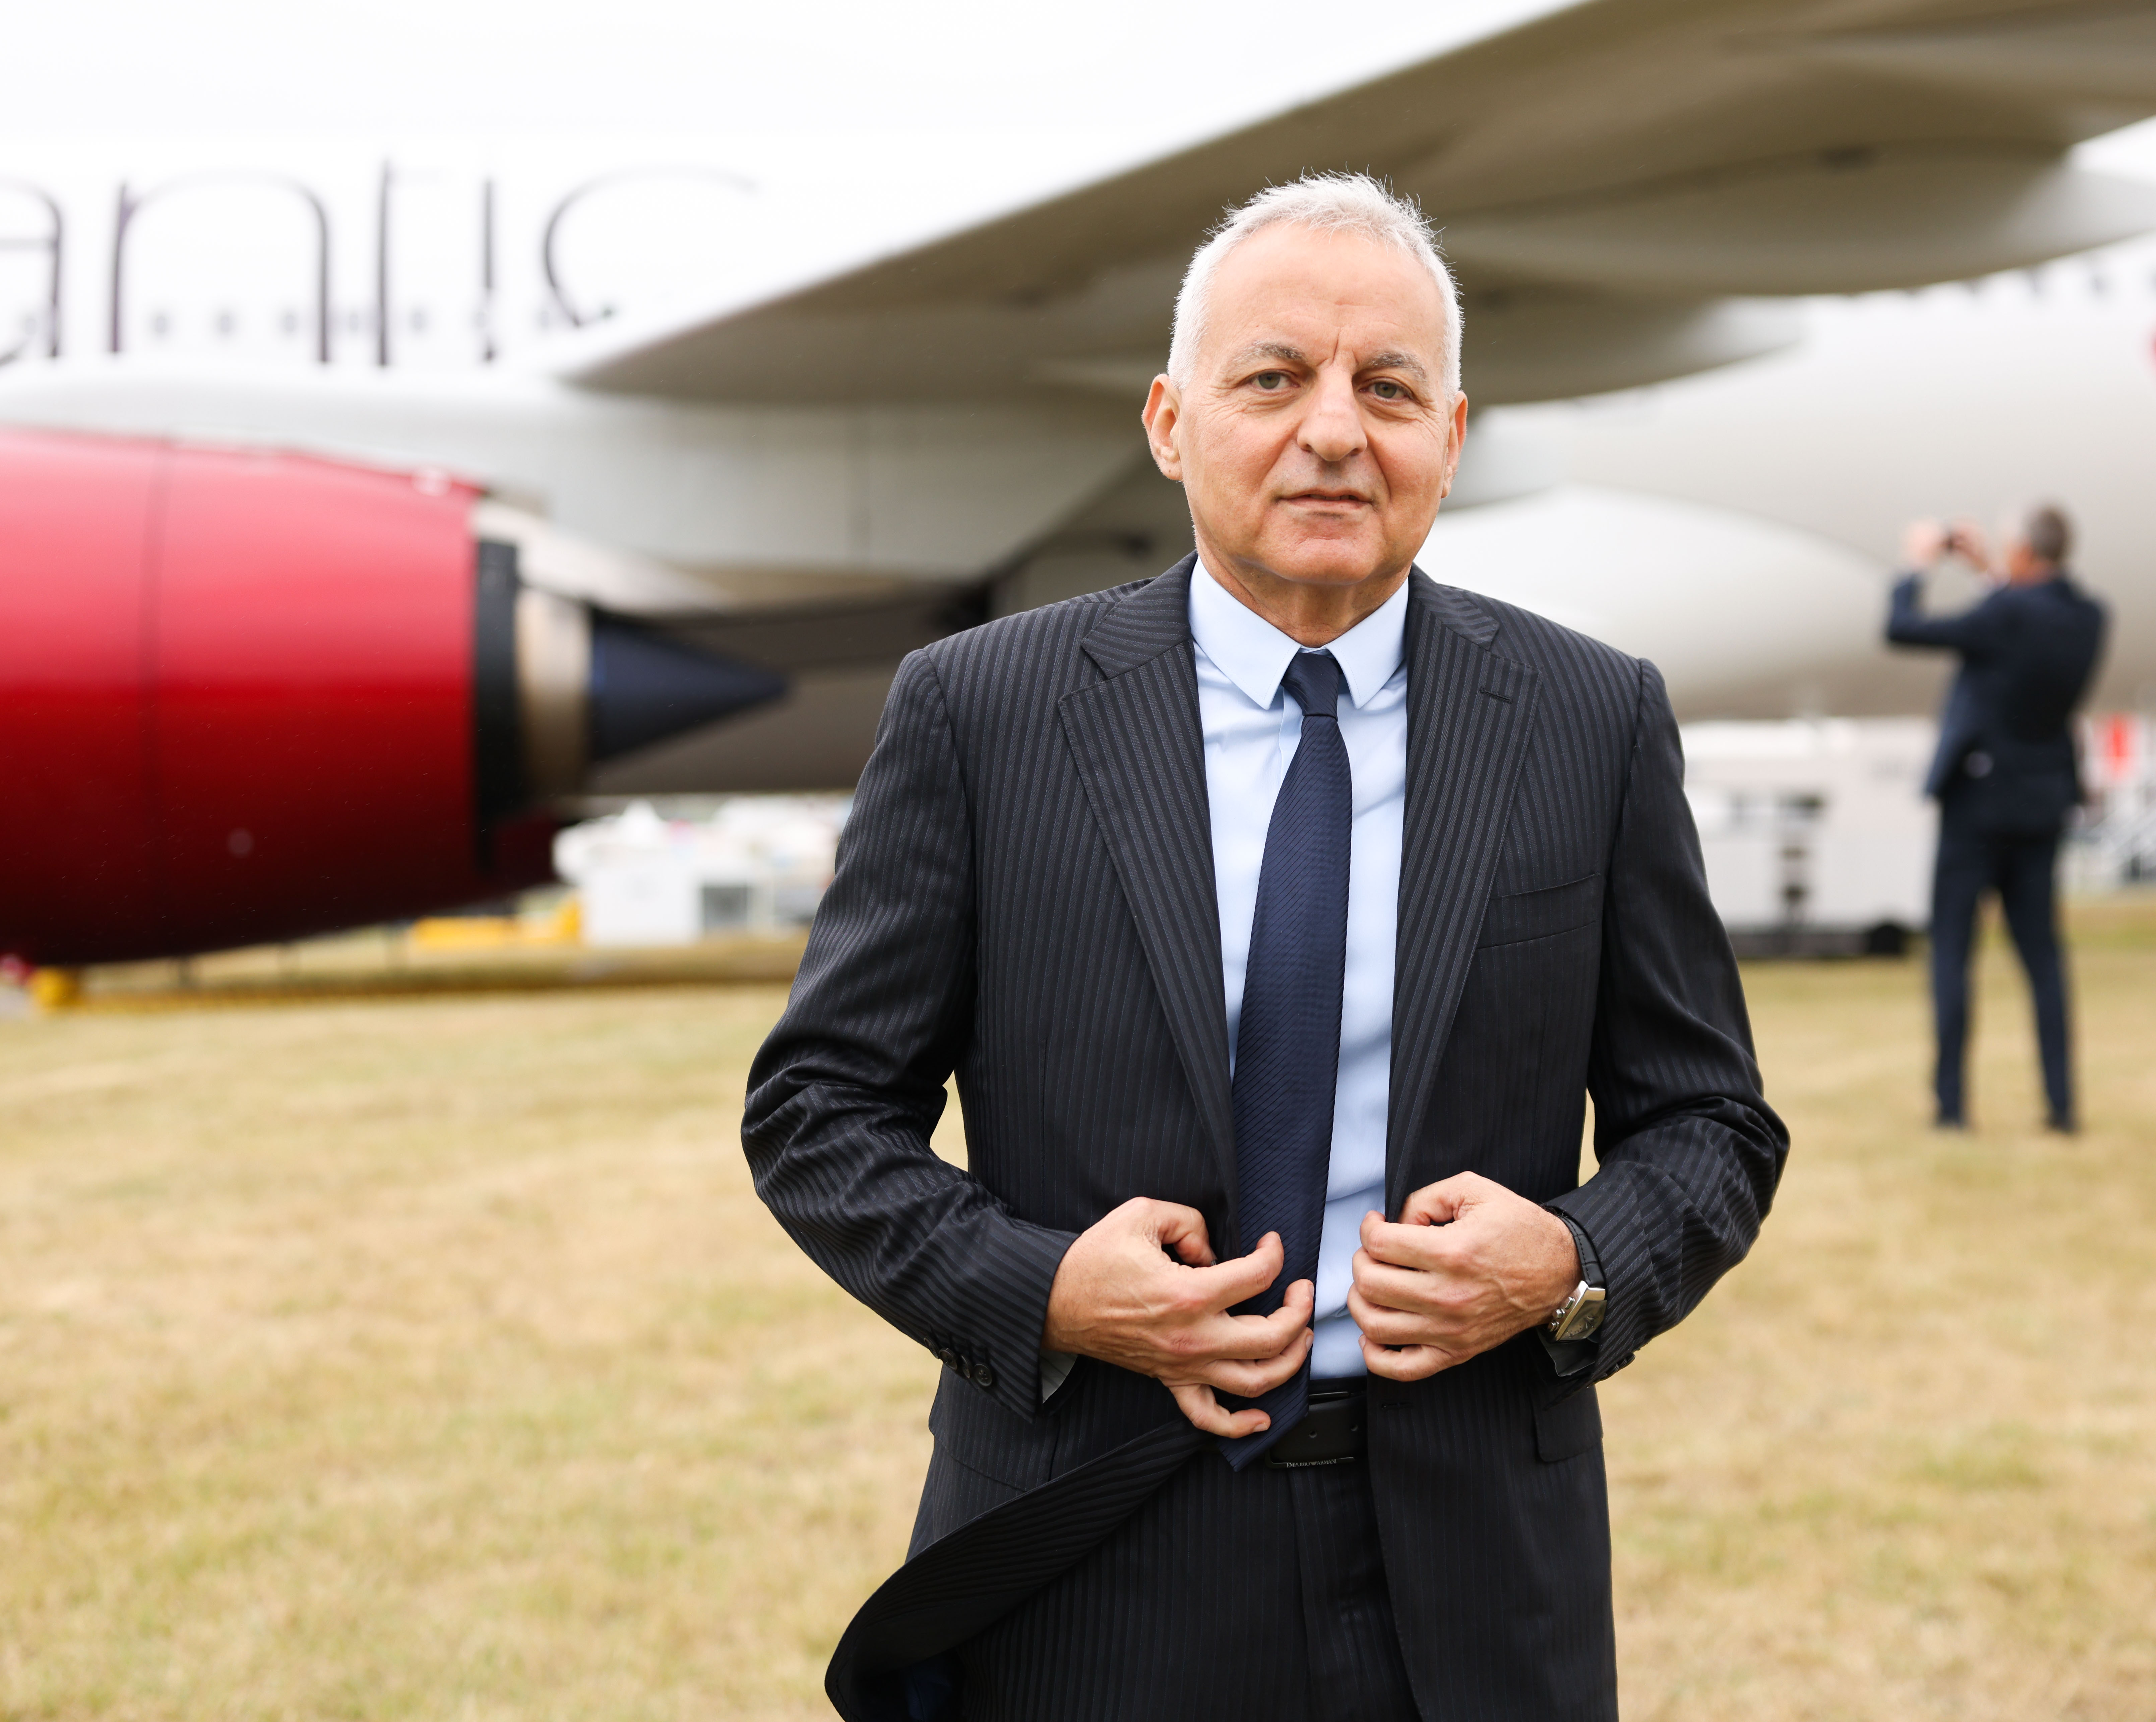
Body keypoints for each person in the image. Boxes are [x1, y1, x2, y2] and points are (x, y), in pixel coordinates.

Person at [742, 174, 1786, 1722]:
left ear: (1446, 431)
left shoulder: (1587, 721)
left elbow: (1708, 1124)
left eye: (1385, 388)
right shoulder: (982, 715)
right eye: (1271, 378)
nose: (1330, 432)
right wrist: (1042, 1293)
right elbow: (817, 1108)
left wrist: (1567, 1263)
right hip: (1090, 1561)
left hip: (1474, 1573)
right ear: (1169, 421)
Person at [1887, 511, 2106, 1132]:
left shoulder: (2006, 616)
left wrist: (1917, 564)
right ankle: (2062, 1107)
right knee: (2043, 959)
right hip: (2042, 805)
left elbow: (1903, 628)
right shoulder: (2087, 617)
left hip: (1976, 807)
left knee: (1953, 953)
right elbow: (2020, 614)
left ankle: (1952, 1107)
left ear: (2023, 552)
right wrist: (1987, 571)